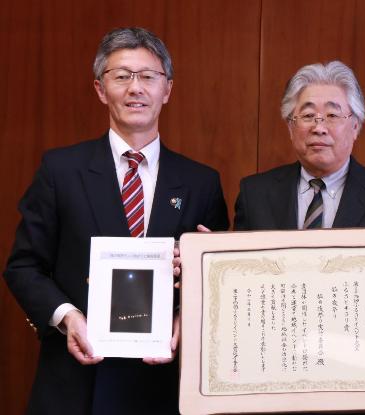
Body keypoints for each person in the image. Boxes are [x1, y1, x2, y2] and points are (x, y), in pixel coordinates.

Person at [3, 27, 229, 415]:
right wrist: (67, 317)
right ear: (100, 89)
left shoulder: (201, 182)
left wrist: (184, 316)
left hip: (166, 384)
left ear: (167, 90)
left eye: (148, 77)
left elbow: (216, 280)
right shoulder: (61, 170)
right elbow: (24, 266)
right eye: (121, 76)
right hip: (77, 384)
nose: (135, 88)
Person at [231, 60, 365, 415]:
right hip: (270, 385)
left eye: (332, 115)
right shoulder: (255, 193)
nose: (318, 127)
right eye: (307, 116)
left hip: (357, 389)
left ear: (355, 126)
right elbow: (238, 287)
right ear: (290, 127)